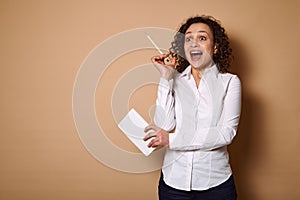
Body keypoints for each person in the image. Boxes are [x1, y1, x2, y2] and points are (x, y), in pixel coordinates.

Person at [143, 15, 241, 200]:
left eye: (202, 38)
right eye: (188, 39)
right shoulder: (174, 80)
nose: (194, 43)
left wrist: (172, 140)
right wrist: (166, 77)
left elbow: (226, 133)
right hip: (173, 183)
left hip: (216, 185)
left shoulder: (230, 82)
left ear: (215, 47)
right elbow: (164, 124)